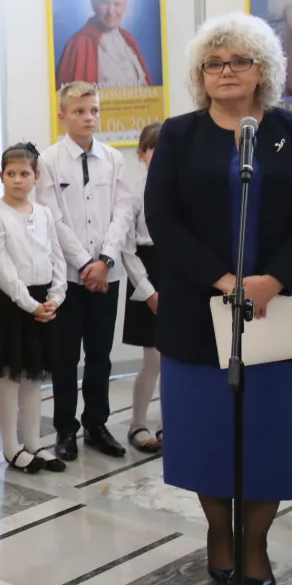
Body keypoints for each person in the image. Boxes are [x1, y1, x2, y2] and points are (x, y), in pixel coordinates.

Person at [145, 13, 292, 585]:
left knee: (271, 438)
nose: (226, 72)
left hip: (274, 317)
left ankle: (254, 544)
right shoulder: (178, 134)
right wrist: (224, 279)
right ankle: (217, 537)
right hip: (199, 314)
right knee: (206, 437)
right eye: (214, 63)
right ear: (203, 75)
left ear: (263, 70)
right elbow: (163, 222)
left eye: (239, 61)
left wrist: (273, 280)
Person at [37, 81, 137, 461]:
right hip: (68, 277)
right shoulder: (48, 161)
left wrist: (106, 261)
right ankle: (65, 429)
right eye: (80, 111)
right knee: (65, 356)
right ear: (63, 114)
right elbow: (53, 218)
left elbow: (123, 212)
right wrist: (84, 264)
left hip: (104, 277)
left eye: (93, 110)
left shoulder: (114, 159)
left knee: (100, 355)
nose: (88, 117)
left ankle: (97, 423)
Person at [0, 143, 67, 475]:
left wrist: (56, 296)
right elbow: (0, 267)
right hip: (11, 303)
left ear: (36, 176)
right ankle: (10, 446)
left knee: (34, 377)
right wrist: (29, 305)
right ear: (1, 176)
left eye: (24, 173)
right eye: (10, 174)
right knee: (11, 375)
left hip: (44, 302)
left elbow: (57, 257)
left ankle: (33, 442)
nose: (17, 179)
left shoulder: (43, 213)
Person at [122, 121, 163, 455]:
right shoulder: (133, 194)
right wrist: (148, 291)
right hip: (146, 275)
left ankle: (173, 423)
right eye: (154, 152)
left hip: (178, 273)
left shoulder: (184, 190)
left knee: (180, 359)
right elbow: (127, 250)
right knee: (154, 358)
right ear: (141, 154)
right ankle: (138, 423)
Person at [56, 0, 155, 88]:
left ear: (125, 6)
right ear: (93, 4)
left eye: (117, 4)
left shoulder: (128, 39)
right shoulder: (79, 44)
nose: (110, 12)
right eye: (104, 2)